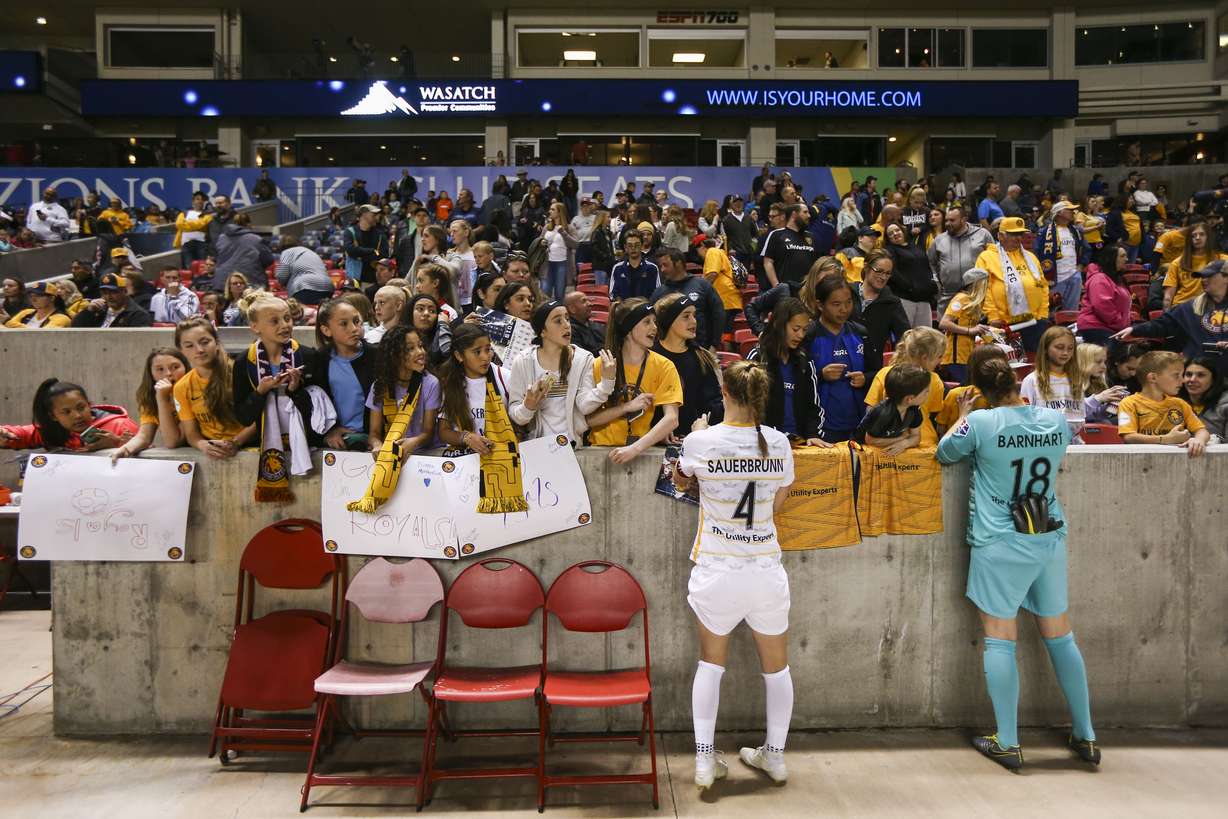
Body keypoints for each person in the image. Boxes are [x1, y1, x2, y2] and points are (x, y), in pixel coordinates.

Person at [937, 354, 1099, 773]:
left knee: (999, 637)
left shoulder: (983, 423)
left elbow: (945, 452)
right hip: (1047, 535)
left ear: (980, 390)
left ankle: (1007, 740)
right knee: (1060, 635)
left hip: (1000, 540)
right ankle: (1086, 733)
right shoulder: (1053, 420)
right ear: (1016, 380)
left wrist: (964, 414)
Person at [671, 360, 796, 791]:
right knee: (777, 670)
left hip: (717, 568)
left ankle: (706, 761)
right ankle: (775, 757)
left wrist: (698, 435)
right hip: (764, 567)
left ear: (724, 392)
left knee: (711, 665)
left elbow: (682, 480)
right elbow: (778, 507)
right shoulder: (778, 443)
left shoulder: (701, 440)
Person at [231, 294, 319, 500]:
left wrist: (295, 390)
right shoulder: (244, 361)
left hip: (307, 444)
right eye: (274, 321)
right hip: (263, 443)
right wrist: (260, 392)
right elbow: (243, 417)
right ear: (255, 327)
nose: (284, 325)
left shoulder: (308, 356)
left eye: (287, 318)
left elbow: (319, 411)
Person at [585, 298, 682, 463]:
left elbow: (672, 419)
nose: (654, 327)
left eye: (654, 322)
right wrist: (626, 407)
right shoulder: (600, 364)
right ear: (629, 328)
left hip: (641, 451)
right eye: (647, 322)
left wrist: (634, 449)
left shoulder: (664, 366)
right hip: (599, 453)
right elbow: (588, 420)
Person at [508, 300, 613, 444]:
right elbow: (517, 416)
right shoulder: (523, 361)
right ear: (542, 331)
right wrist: (528, 406)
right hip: (536, 448)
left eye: (567, 318)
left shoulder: (582, 359)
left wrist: (606, 384)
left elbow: (584, 406)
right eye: (558, 321)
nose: (566, 324)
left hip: (573, 445)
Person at [1112, 259, 1228, 362]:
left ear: (1226, 277)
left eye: (1209, 276)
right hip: (1197, 371)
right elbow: (1162, 325)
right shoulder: (1190, 307)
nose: (1203, 280)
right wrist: (1134, 329)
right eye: (1202, 277)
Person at [747, 297, 826, 445]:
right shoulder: (758, 358)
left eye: (804, 330)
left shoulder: (806, 362)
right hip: (764, 445)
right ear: (778, 324)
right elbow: (746, 406)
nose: (801, 335)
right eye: (795, 329)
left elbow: (814, 407)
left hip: (800, 444)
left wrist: (812, 434)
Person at [173, 317, 254, 460]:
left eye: (205, 342)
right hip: (214, 450)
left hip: (250, 447)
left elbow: (263, 419)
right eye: (189, 345)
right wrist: (203, 445)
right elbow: (191, 433)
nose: (199, 350)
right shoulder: (181, 387)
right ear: (181, 351)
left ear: (216, 343)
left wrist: (235, 442)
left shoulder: (242, 372)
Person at [652, 292, 724, 438]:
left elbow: (714, 404)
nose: (694, 321)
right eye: (686, 316)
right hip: (652, 441)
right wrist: (657, 430)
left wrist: (703, 426)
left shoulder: (702, 357)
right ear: (669, 321)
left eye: (694, 315)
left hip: (694, 441)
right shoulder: (649, 355)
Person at [1, 378, 137, 452]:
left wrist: (119, 444)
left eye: (81, 407)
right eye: (66, 412)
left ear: (89, 404)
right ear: (53, 416)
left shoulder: (121, 425)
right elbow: (20, 434)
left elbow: (145, 461)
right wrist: (5, 433)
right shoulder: (51, 430)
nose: (77, 416)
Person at [310, 299, 376, 450]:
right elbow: (314, 407)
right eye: (344, 324)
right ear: (326, 330)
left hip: (375, 441)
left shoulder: (377, 356)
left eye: (356, 321)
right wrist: (330, 431)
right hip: (337, 443)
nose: (354, 328)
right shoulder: (319, 360)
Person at [366, 325, 441, 458]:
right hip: (393, 452)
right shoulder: (379, 386)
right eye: (410, 348)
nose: (420, 352)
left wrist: (414, 441)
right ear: (394, 355)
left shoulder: (431, 383)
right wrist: (377, 445)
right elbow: (374, 433)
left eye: (420, 346)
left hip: (425, 453)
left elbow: (428, 432)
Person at [864, 327, 946, 447]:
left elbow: (870, 411)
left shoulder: (884, 373)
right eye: (939, 356)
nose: (942, 360)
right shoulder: (935, 380)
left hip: (893, 443)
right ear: (924, 357)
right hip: (920, 444)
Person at [977, 216, 1050, 353]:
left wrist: (1043, 313)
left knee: (1035, 360)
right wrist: (993, 317)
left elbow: (1043, 286)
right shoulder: (986, 257)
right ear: (1000, 236)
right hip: (1003, 323)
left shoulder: (1031, 257)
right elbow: (984, 289)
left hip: (1035, 321)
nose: (1018, 238)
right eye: (1013, 234)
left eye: (1020, 234)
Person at [1117, 351, 1210, 457]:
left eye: (1182, 375)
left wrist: (1199, 440)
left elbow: (1202, 430)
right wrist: (1165, 439)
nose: (1183, 380)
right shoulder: (1129, 403)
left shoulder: (1180, 404)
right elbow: (1129, 437)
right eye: (1176, 375)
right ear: (1153, 378)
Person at [111, 347, 190, 460]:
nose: (168, 373)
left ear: (186, 367)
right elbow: (145, 435)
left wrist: (162, 399)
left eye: (175, 367)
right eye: (160, 369)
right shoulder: (150, 397)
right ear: (151, 374)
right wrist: (126, 449)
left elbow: (173, 441)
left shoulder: (193, 391)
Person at [1019, 325, 1094, 441]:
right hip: (1044, 443)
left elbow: (1080, 415)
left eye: (1070, 348)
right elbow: (1024, 417)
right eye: (1059, 347)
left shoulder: (1076, 379)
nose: (1065, 353)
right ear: (1045, 348)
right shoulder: (1031, 380)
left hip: (1073, 443)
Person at [649, 248, 725, 352]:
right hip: (668, 353)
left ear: (678, 263)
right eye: (660, 266)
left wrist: (714, 344)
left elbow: (718, 314)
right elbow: (651, 321)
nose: (662, 270)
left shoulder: (702, 285)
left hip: (701, 349)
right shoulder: (659, 293)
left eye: (665, 265)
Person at [853, 250, 912, 381]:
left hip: (869, 374)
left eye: (887, 273)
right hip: (841, 364)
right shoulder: (847, 292)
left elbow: (906, 338)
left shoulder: (892, 303)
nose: (883, 277)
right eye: (879, 271)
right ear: (866, 266)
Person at [929, 205, 992, 315]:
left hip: (977, 295)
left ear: (964, 219)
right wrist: (938, 286)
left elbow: (993, 259)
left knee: (978, 329)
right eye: (947, 220)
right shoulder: (939, 240)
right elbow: (931, 263)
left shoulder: (983, 234)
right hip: (948, 296)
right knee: (947, 330)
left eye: (952, 220)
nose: (948, 223)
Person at [854, 363, 929, 454]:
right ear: (910, 399)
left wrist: (904, 444)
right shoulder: (883, 413)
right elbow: (870, 440)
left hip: (885, 446)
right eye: (926, 392)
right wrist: (903, 438)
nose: (928, 394)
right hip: (861, 449)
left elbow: (916, 437)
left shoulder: (914, 409)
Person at [937, 268, 993, 384]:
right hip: (955, 357)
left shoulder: (973, 302)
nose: (988, 286)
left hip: (967, 355)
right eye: (986, 282)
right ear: (978, 283)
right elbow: (944, 323)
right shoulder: (961, 299)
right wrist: (970, 331)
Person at [1075, 244, 1132, 347]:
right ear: (1112, 258)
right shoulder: (1099, 278)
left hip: (1111, 328)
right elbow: (1102, 307)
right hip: (1096, 327)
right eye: (1122, 256)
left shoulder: (1116, 279)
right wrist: (1120, 323)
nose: (1127, 259)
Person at [1034, 202, 1086, 314]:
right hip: (1054, 278)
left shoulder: (1075, 231)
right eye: (1070, 210)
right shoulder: (1044, 232)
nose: (1073, 212)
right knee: (1050, 311)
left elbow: (1085, 249)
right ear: (1060, 213)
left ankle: (1069, 331)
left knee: (1072, 312)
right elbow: (1037, 253)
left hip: (1074, 276)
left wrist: (1081, 265)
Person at [883, 223, 937, 329]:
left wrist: (932, 285)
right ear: (888, 238)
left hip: (924, 298)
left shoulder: (916, 247)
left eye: (897, 230)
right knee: (907, 334)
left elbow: (927, 266)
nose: (895, 234)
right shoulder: (890, 251)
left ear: (902, 231)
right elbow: (893, 273)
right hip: (905, 298)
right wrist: (910, 287)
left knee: (925, 336)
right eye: (890, 233)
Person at [1163, 223, 1225, 309]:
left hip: (1212, 308)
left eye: (1202, 234)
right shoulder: (1177, 263)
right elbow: (1168, 297)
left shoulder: (1222, 259)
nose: (1197, 238)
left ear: (1209, 237)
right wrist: (1167, 318)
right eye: (1193, 236)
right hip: (1182, 308)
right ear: (1189, 240)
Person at [212, 212, 275, 292]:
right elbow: (268, 260)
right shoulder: (256, 239)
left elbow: (215, 257)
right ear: (248, 224)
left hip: (223, 282)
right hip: (250, 282)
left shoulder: (221, 238)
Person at [761, 204, 816, 288]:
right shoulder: (777, 234)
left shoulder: (810, 236)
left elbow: (815, 264)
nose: (809, 215)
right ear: (794, 214)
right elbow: (768, 262)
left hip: (806, 291)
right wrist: (776, 285)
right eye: (805, 212)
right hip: (786, 290)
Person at [71, 272, 154, 328]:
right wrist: (88, 311)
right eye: (104, 293)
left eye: (113, 292)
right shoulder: (99, 310)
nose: (108, 297)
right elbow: (75, 328)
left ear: (125, 292)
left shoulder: (138, 315)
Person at [1077, 343, 1129, 425]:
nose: (1104, 366)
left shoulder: (1097, 383)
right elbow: (1074, 412)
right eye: (1098, 362)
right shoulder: (1068, 383)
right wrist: (1098, 398)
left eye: (1104, 362)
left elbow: (1094, 416)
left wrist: (1111, 407)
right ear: (1083, 362)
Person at [277, 235, 335, 305]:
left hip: (305, 286)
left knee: (305, 314)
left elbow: (281, 275)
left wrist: (282, 284)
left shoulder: (287, 252)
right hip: (327, 286)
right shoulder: (310, 251)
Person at [1180, 355, 1228, 440]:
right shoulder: (1173, 401)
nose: (1192, 379)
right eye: (1188, 374)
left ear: (1214, 379)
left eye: (1201, 375)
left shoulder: (1225, 404)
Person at [344, 204, 390, 284]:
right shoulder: (350, 231)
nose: (377, 217)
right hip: (354, 278)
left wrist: (360, 254)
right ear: (364, 215)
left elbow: (384, 255)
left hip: (373, 278)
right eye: (374, 214)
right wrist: (371, 251)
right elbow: (350, 250)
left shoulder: (380, 234)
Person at [540, 202, 577, 300]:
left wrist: (563, 233)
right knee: (544, 294)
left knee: (559, 295)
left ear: (560, 212)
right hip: (547, 264)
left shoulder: (569, 228)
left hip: (562, 264)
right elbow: (539, 243)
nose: (550, 211)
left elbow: (575, 244)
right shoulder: (547, 227)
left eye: (553, 209)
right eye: (550, 209)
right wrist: (542, 244)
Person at [609, 231, 660, 301]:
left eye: (637, 245)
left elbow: (657, 293)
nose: (633, 248)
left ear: (642, 246)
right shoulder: (617, 268)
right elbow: (613, 294)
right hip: (624, 309)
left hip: (645, 309)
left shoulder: (652, 268)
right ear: (625, 247)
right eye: (630, 245)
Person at [3, 281, 71, 328]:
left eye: (38, 296)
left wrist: (7, 322)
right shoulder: (26, 312)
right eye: (31, 296)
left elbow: (40, 335)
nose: (33, 299)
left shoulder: (61, 318)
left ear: (52, 298)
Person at [447, 219, 478, 309]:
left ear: (466, 232)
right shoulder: (449, 255)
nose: (451, 234)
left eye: (455, 231)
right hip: (453, 301)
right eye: (450, 232)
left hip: (472, 302)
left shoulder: (476, 254)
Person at [565, 290, 604, 355]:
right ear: (572, 309)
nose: (590, 304)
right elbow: (583, 358)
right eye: (584, 301)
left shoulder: (597, 325)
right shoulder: (569, 331)